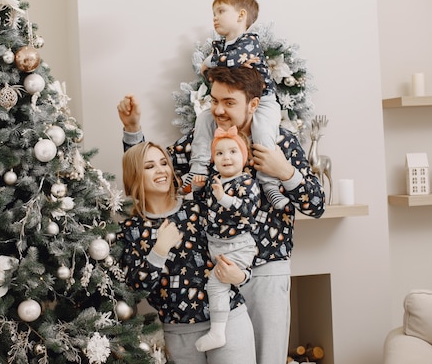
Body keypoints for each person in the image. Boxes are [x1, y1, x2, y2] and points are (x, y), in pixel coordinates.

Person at [117, 65, 326, 364]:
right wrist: (133, 130)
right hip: (217, 273)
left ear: (253, 104)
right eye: (214, 101)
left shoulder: (282, 143)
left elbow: (316, 205)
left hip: (265, 271)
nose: (218, 110)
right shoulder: (202, 141)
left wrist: (285, 171)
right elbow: (153, 169)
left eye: (229, 102)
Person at [118, 141, 256, 364]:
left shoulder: (198, 209)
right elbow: (136, 290)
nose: (161, 170)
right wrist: (159, 249)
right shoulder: (131, 231)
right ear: (134, 176)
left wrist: (241, 276)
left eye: (164, 163)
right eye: (149, 166)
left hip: (229, 321)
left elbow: (237, 242)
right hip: (180, 334)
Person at [184, 0, 289, 210]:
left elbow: (227, 62)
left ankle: (269, 184)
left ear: (241, 15)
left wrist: (209, 62)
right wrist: (211, 66)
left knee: (262, 133)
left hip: (265, 100)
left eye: (221, 11)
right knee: (203, 119)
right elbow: (216, 77)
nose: (215, 17)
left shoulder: (249, 42)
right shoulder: (221, 46)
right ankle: (198, 168)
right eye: (213, 12)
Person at [190, 126, 260, 352]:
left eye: (233, 152)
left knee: (216, 284)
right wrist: (199, 189)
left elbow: (247, 210)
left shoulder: (246, 183)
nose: (226, 157)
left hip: (238, 246)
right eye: (219, 153)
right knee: (215, 283)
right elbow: (204, 208)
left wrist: (224, 198)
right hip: (217, 245)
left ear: (244, 157)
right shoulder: (214, 181)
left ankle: (218, 332)